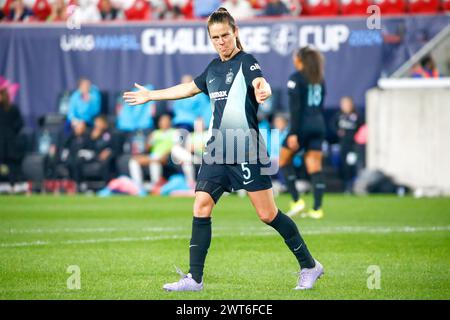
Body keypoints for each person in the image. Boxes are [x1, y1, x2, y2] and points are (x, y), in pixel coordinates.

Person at [124, 7, 323, 292]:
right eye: (215, 37)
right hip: (218, 149)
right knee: (201, 205)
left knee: (268, 215)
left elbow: (259, 81)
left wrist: (262, 89)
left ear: (235, 33)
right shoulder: (213, 68)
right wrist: (150, 96)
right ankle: (194, 279)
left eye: (225, 35)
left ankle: (309, 265)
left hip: (245, 149)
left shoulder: (247, 62)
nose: (221, 41)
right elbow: (188, 89)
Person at [279, 46, 327, 219]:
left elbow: (296, 109)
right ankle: (317, 209)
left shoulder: (296, 78)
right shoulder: (319, 79)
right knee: (315, 166)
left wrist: (293, 133)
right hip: (319, 125)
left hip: (302, 126)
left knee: (283, 160)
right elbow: (321, 105)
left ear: (299, 59)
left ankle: (296, 200)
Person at [333, 96, 363, 194]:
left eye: (348, 104)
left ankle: (352, 186)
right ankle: (345, 186)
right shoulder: (339, 116)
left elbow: (362, 128)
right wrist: (337, 131)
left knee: (352, 165)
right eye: (344, 104)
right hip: (343, 145)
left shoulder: (357, 116)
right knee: (344, 166)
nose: (346, 106)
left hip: (353, 146)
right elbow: (332, 125)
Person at [0, 87, 24, 191]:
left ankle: (13, 184)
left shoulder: (13, 109)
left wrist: (11, 132)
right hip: (2, 140)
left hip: (10, 141)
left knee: (12, 163)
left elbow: (20, 124)